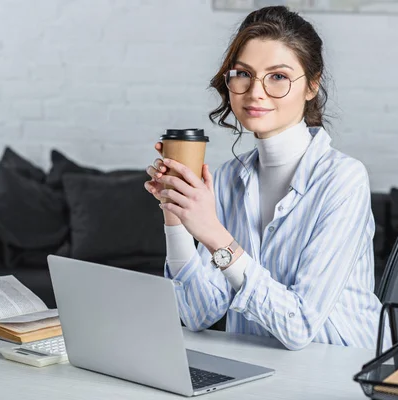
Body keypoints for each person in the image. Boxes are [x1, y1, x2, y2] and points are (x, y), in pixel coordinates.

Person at [144, 5, 383, 351]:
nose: (255, 92)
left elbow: (299, 326)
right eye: (243, 73)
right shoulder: (227, 180)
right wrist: (177, 218)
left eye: (278, 76)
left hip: (340, 369)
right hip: (260, 369)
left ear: (311, 86)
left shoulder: (343, 180)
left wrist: (213, 233)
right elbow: (197, 314)